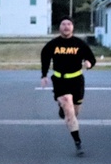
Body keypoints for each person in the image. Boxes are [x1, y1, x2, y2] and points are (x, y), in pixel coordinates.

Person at [41, 16, 97, 156]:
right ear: (59, 27)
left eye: (69, 24)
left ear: (73, 27)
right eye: (63, 24)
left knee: (75, 112)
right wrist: (44, 75)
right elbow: (45, 58)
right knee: (68, 105)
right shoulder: (53, 44)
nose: (66, 26)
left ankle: (63, 110)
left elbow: (91, 58)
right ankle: (78, 142)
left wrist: (89, 64)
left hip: (77, 81)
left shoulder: (79, 44)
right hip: (60, 80)